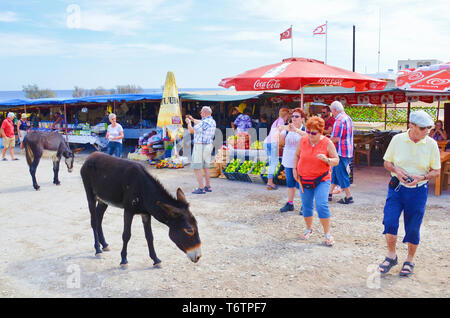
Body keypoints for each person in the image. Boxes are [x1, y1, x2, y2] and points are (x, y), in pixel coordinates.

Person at [377, 110, 441, 277]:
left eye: (429, 128)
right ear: (412, 126)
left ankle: (410, 259)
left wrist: (422, 176)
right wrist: (396, 170)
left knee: (413, 227)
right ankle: (391, 256)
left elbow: (436, 171)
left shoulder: (431, 144)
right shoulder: (397, 140)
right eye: (423, 128)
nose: (427, 131)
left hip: (419, 191)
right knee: (389, 221)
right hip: (397, 188)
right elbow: (387, 162)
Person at [293, 116, 339, 246]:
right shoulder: (303, 140)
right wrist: (294, 170)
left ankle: (327, 233)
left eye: (314, 133)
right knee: (306, 206)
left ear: (321, 132)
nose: (310, 135)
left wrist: (327, 160)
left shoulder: (327, 143)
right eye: (308, 131)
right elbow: (296, 155)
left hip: (322, 179)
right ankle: (309, 229)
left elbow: (336, 160)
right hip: (304, 178)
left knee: (321, 205)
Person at [278, 108, 307, 213]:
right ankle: (290, 203)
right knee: (290, 183)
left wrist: (296, 130)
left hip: (300, 160)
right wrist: (281, 133)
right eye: (293, 116)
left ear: (302, 119)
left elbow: (309, 138)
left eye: (297, 116)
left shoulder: (305, 129)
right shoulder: (287, 129)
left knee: (302, 184)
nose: (294, 118)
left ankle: (305, 205)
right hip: (288, 159)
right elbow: (281, 143)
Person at [328, 101, 354, 204]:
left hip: (340, 151)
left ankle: (349, 196)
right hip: (347, 150)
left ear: (334, 110)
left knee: (342, 174)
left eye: (331, 111)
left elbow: (336, 138)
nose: (331, 114)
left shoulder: (339, 120)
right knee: (335, 173)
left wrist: (325, 141)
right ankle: (329, 194)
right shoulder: (348, 118)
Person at [186, 106, 217, 194]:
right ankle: (208, 186)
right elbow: (200, 123)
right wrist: (192, 119)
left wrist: (189, 123)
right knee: (205, 167)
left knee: (197, 168)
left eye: (201, 112)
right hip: (208, 146)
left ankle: (201, 188)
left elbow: (191, 131)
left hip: (200, 146)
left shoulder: (204, 122)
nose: (200, 113)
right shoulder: (212, 121)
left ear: (204, 113)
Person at [264, 108, 290, 190]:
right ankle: (269, 183)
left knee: (272, 162)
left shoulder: (277, 120)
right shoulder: (281, 121)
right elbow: (279, 131)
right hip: (272, 143)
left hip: (267, 142)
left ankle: (269, 181)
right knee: (273, 163)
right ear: (286, 115)